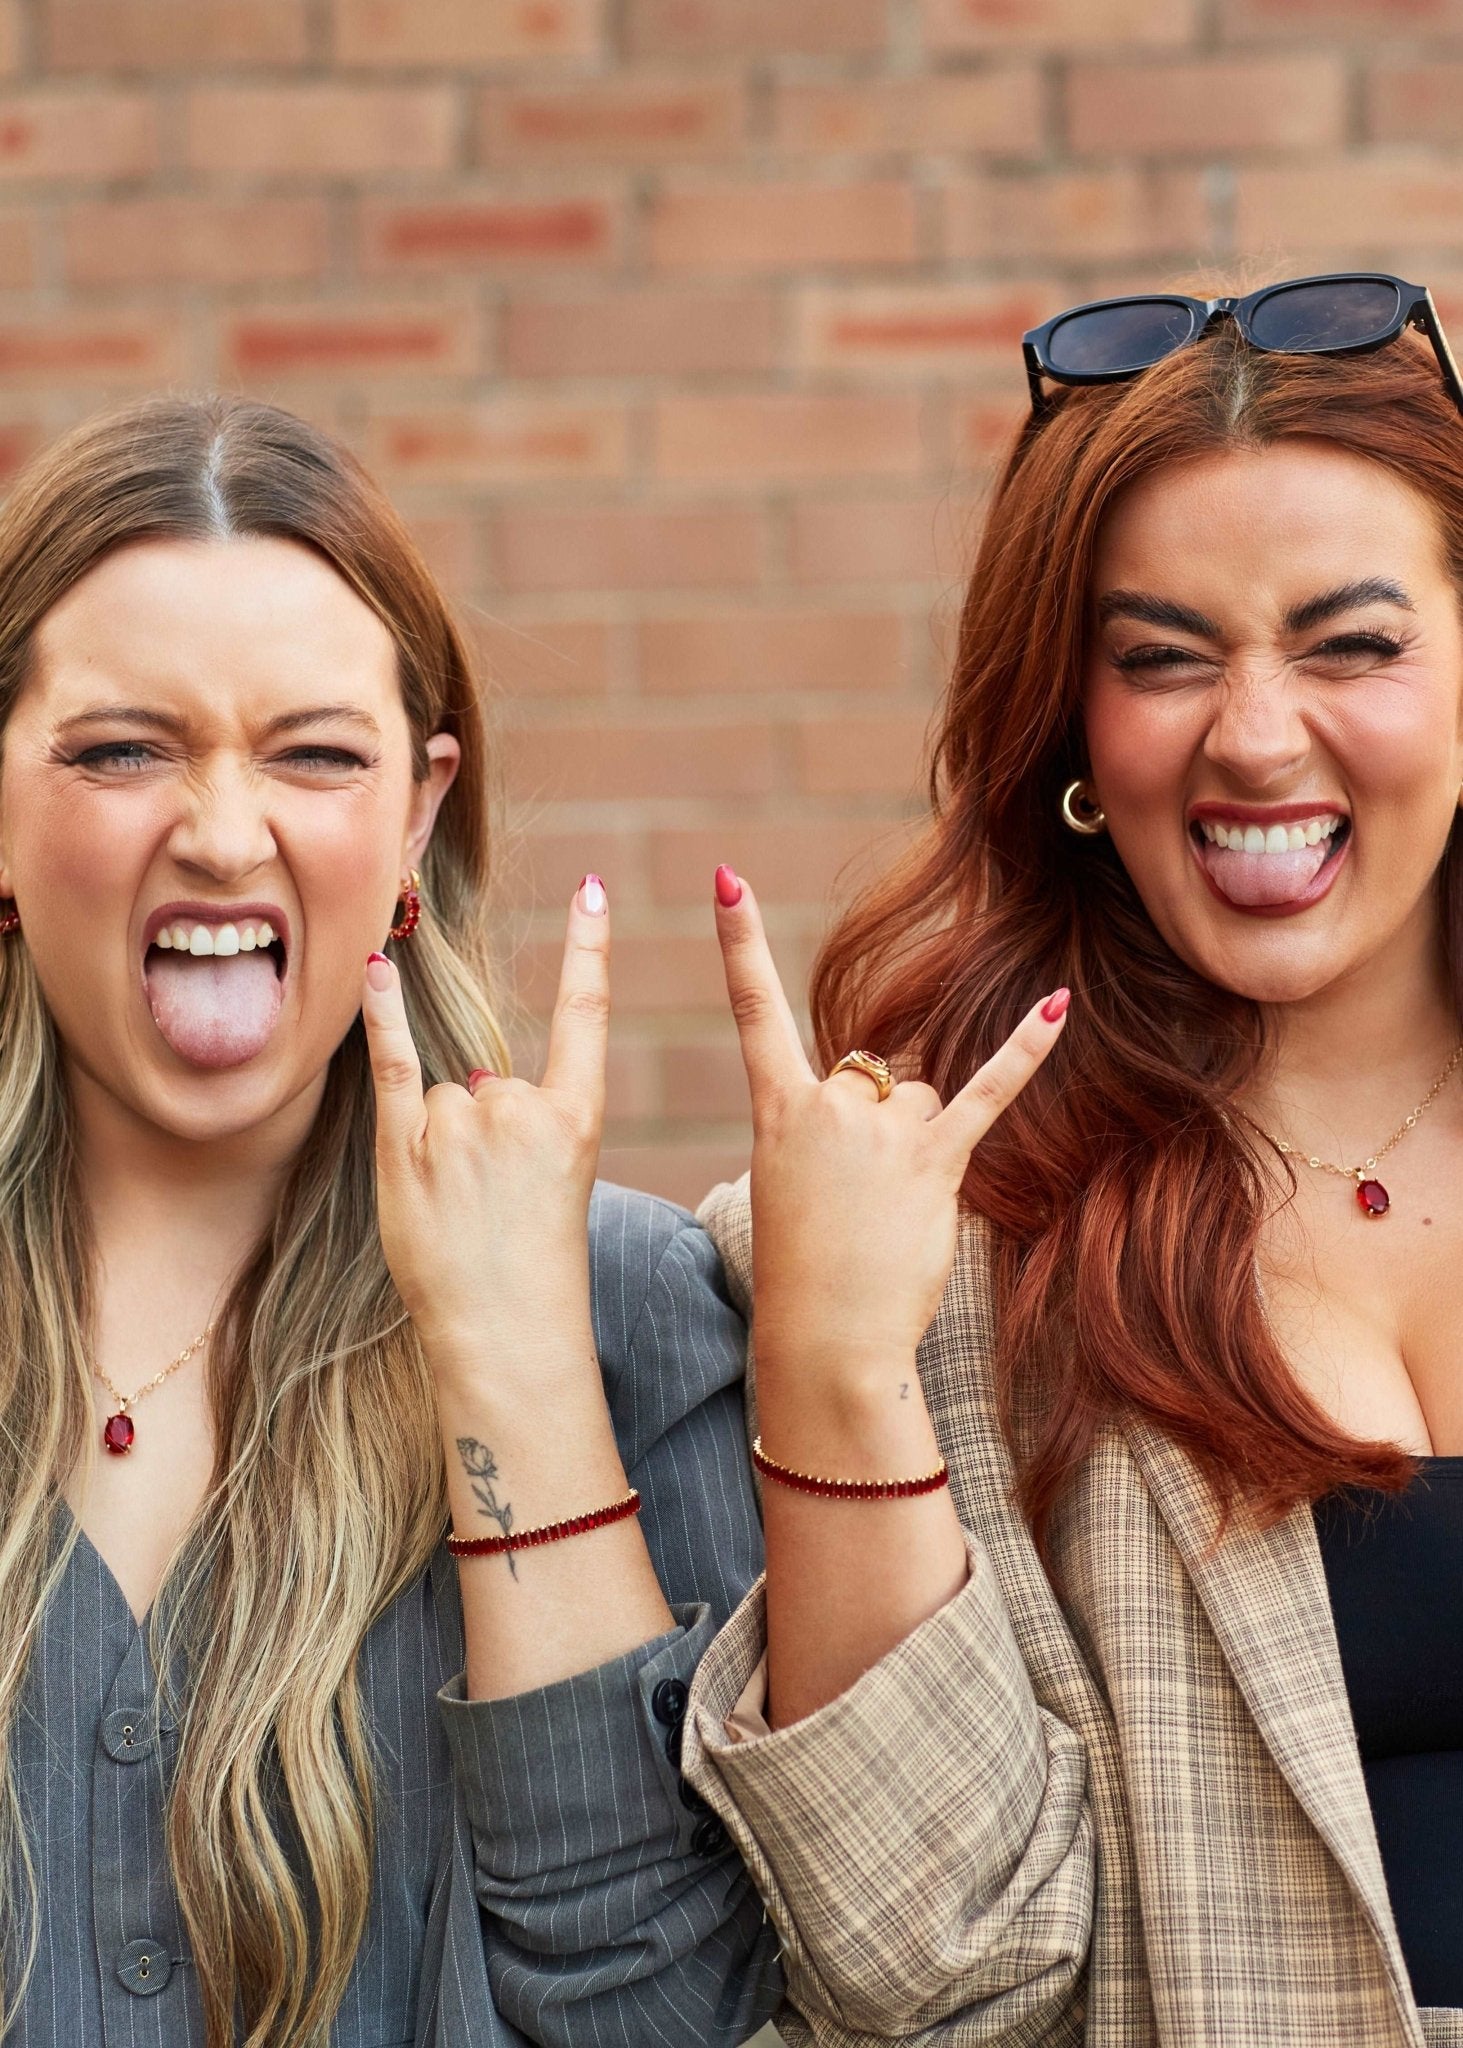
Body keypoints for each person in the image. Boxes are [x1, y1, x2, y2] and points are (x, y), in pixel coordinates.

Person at [682, 275, 1463, 2046]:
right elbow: (935, 1971)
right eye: (1164, 656)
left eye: (1353, 644)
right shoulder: (953, 1230)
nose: (1255, 733)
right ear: (1074, 740)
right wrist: (831, 1376)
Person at [0, 394, 781, 2047]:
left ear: (418, 813)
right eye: (122, 749)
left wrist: (519, 1379)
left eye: (315, 752)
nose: (221, 834)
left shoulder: (631, 1313)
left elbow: (665, 2019)